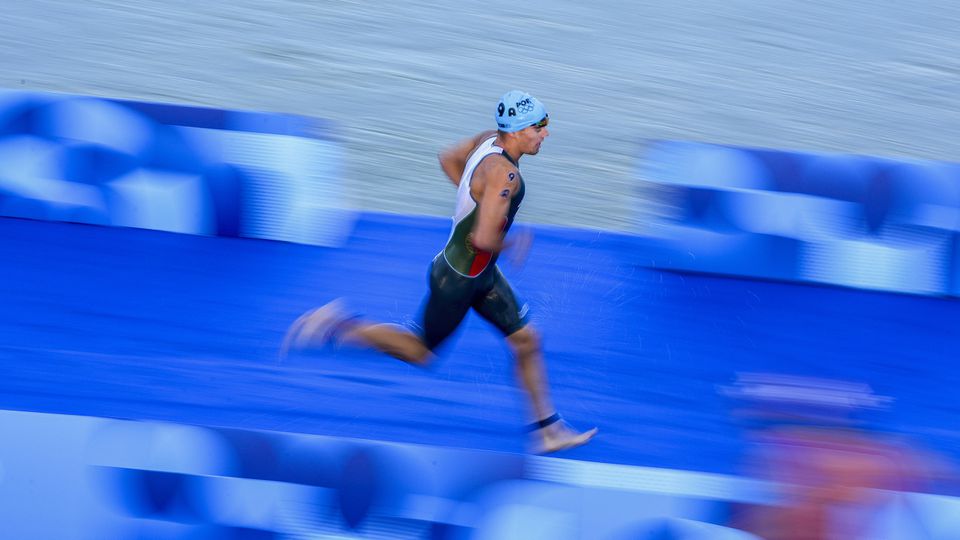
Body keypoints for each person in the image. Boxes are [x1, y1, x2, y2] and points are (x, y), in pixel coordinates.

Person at [281, 90, 597, 454]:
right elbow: (482, 238)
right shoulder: (506, 176)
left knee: (527, 340)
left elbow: (449, 159)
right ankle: (336, 326)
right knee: (420, 352)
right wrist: (513, 243)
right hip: (459, 279)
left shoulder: (488, 141)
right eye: (541, 125)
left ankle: (547, 430)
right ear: (520, 129)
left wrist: (473, 196)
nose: (546, 133)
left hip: (479, 274)